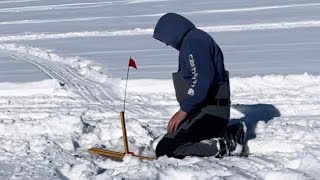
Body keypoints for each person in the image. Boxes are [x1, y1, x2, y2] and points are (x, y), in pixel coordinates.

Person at [153, 13, 247, 158]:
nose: (167, 44)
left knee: (167, 149)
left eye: (166, 39)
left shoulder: (194, 41)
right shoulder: (194, 40)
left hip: (208, 112)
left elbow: (201, 79)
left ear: (172, 31)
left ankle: (222, 147)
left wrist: (184, 110)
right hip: (203, 111)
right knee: (166, 143)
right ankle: (230, 134)